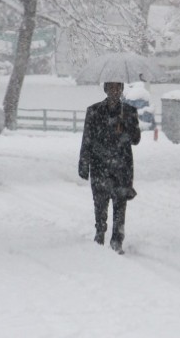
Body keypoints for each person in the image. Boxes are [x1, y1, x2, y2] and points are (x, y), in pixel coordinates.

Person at [78, 82, 141, 254]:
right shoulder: (94, 111)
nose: (114, 91)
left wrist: (125, 127)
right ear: (105, 90)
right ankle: (100, 232)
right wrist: (84, 164)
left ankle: (117, 239)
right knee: (100, 203)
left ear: (121, 90)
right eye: (111, 88)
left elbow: (136, 139)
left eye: (117, 88)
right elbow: (87, 139)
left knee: (120, 205)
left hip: (121, 167)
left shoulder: (129, 112)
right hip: (99, 165)